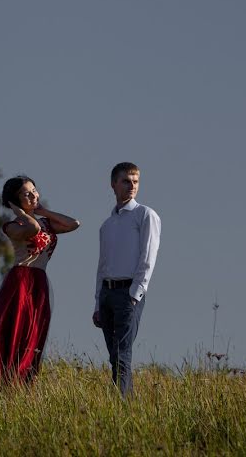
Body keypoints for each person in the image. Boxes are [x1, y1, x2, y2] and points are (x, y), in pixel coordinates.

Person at [0, 175, 80, 383]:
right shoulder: (12, 226)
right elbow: (32, 230)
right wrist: (20, 212)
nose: (33, 195)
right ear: (15, 201)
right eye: (27, 193)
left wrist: (42, 211)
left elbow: (73, 223)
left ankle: (22, 379)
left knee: (32, 331)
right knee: (12, 328)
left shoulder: (47, 223)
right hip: (21, 281)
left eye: (35, 190)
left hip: (39, 281)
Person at [92, 162, 161, 396]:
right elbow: (102, 266)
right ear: (113, 184)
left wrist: (135, 294)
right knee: (115, 356)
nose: (132, 186)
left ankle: (120, 404)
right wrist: (97, 302)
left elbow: (148, 257)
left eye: (135, 181)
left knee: (122, 354)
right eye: (126, 181)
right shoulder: (107, 225)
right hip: (107, 294)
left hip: (128, 293)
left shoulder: (145, 215)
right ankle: (126, 403)